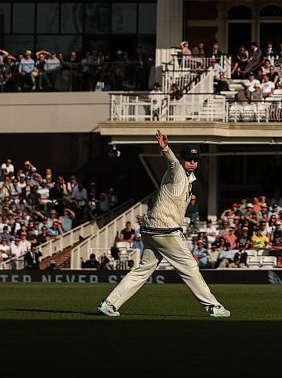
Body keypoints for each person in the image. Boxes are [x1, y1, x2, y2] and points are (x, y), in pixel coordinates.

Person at [97, 131, 230, 319]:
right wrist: (165, 148)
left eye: (195, 159)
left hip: (151, 229)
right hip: (164, 229)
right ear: (183, 159)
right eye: (189, 159)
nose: (192, 162)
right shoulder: (177, 172)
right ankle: (213, 306)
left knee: (143, 270)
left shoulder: (188, 179)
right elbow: (173, 162)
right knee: (190, 266)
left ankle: (109, 304)